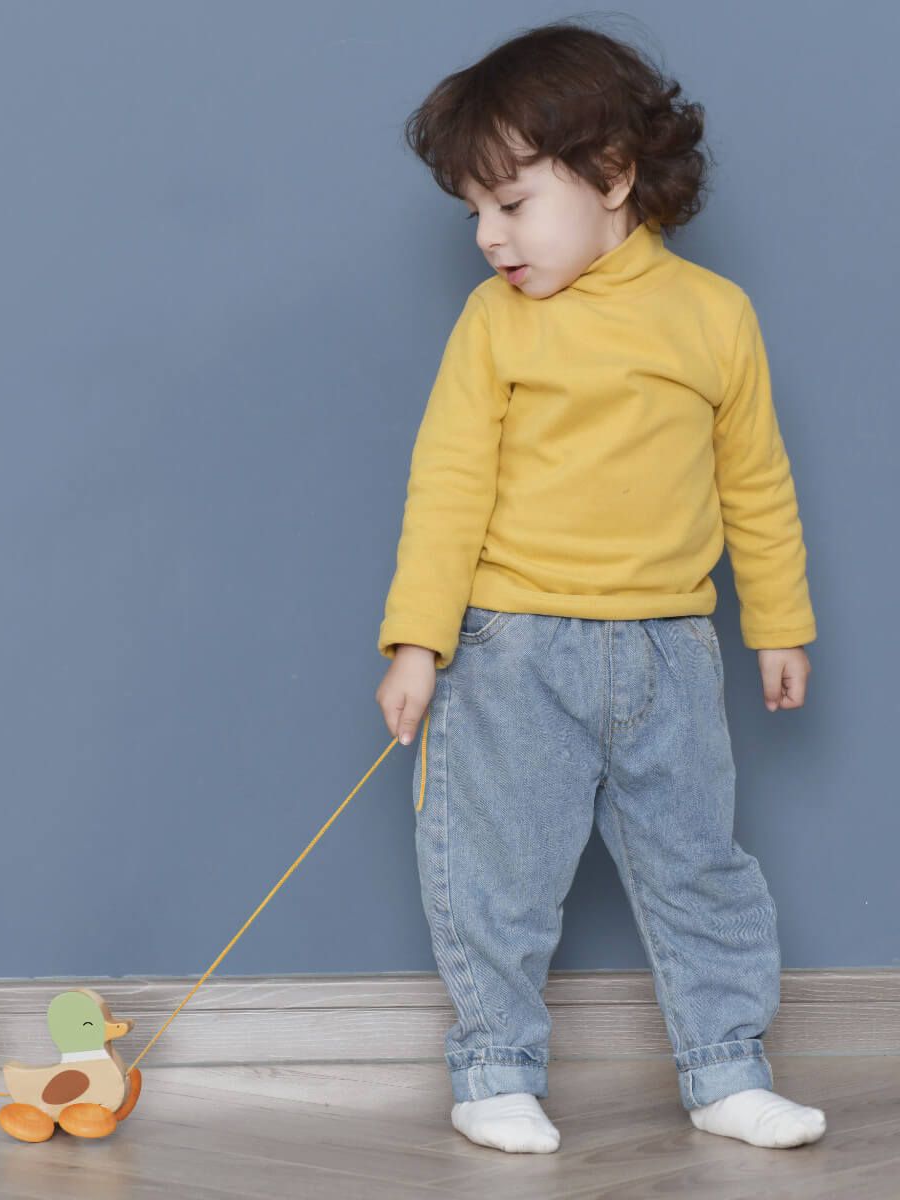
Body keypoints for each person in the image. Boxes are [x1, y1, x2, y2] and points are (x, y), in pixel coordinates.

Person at [374, 19, 826, 1154]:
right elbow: (447, 487)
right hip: (512, 650)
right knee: (498, 872)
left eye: (511, 205)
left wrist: (778, 624)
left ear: (613, 175)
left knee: (701, 868)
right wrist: (419, 642)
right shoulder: (494, 328)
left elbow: (757, 484)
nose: (487, 238)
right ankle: (494, 1069)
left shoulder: (716, 320)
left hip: (672, 652)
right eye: (473, 213)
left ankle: (725, 1069)